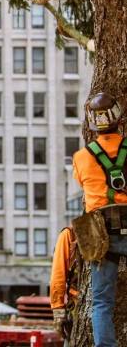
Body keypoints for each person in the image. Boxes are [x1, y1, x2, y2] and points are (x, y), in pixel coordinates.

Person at [72, 92, 127, 347]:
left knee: (102, 301)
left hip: (101, 234)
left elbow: (82, 182)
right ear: (118, 118)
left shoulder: (82, 158)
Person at [49, 227, 79, 343]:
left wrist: (58, 314)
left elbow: (58, 276)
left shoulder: (71, 234)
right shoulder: (71, 234)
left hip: (80, 308)